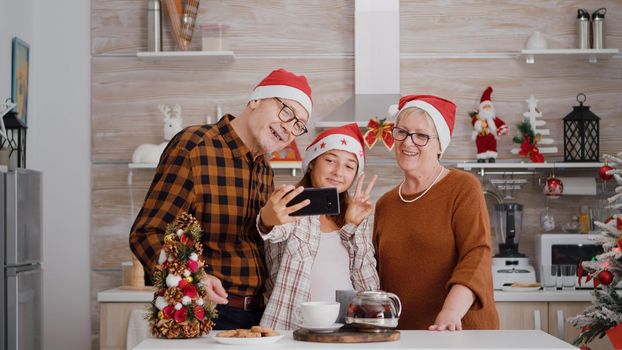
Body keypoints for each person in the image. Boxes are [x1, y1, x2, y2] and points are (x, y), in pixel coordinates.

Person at [129, 68, 313, 330]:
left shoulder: (263, 167)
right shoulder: (194, 146)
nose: (289, 128)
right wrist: (193, 279)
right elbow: (147, 233)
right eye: (285, 111)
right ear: (255, 101)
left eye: (298, 125)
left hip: (257, 316)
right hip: (206, 313)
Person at [373, 94, 499, 331]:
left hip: (459, 333)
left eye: (421, 135)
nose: (408, 142)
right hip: (405, 336)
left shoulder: (463, 187)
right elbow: (378, 274)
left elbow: (476, 254)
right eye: (402, 132)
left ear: (440, 144)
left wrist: (451, 312)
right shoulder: (385, 204)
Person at [257, 123, 379, 330]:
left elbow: (368, 285)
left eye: (349, 166)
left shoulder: (355, 214)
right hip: (293, 328)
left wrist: (352, 227)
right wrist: (268, 218)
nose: (338, 172)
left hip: (346, 330)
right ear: (312, 163)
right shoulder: (291, 203)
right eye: (330, 160)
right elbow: (272, 230)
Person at [471, 86, 509, 163]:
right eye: (485, 107)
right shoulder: (479, 118)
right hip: (481, 135)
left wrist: (503, 129)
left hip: (492, 136)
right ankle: (481, 158)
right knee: (481, 146)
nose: (487, 109)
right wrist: (479, 124)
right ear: (481, 109)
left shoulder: (494, 119)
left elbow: (502, 124)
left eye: (489, 107)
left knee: (492, 146)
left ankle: (492, 157)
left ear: (492, 108)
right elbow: (474, 122)